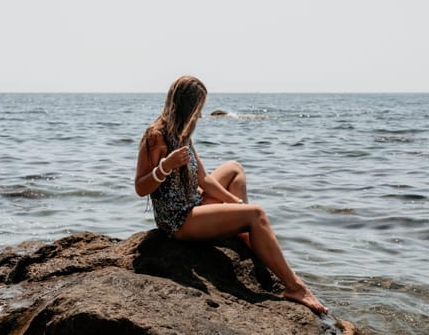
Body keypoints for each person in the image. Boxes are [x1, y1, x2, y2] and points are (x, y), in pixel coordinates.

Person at [134, 75, 328, 314]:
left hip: (194, 202)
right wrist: (166, 167)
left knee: (234, 168)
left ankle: (243, 230)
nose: (200, 114)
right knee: (256, 214)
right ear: (186, 105)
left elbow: (203, 179)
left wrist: (235, 204)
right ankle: (294, 287)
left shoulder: (183, 133)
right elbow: (140, 187)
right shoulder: (155, 136)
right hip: (178, 220)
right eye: (198, 108)